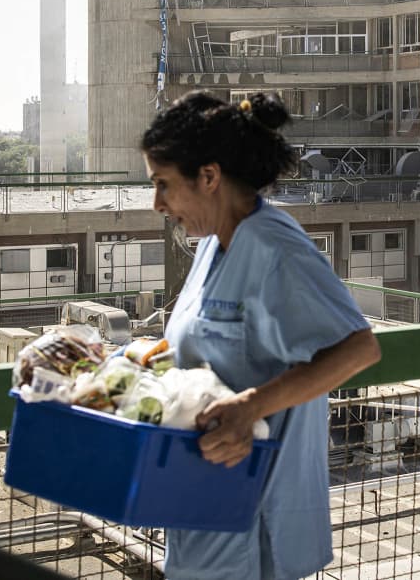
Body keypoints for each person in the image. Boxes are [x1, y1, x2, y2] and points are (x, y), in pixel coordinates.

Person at [141, 91, 381, 580]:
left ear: (208, 177)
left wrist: (250, 407)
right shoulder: (213, 244)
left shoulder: (276, 247)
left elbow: (359, 347)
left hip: (256, 526)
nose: (157, 203)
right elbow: (210, 344)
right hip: (204, 512)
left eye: (164, 184)